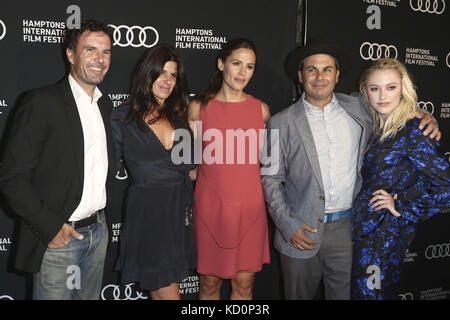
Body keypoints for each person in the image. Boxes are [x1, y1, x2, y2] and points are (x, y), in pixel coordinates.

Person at [260, 40, 441, 300]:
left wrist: (424, 115)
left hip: (348, 230)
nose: (320, 76)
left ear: (337, 75)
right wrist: (288, 226)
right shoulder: (278, 122)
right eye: (312, 70)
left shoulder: (358, 107)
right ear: (301, 76)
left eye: (327, 69)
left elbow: (391, 103)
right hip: (300, 232)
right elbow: (270, 179)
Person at [0, 20, 116, 300]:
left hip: (97, 234)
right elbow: (12, 178)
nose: (100, 59)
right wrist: (50, 228)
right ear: (70, 54)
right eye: (90, 50)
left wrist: (101, 226)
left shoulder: (104, 103)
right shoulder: (41, 102)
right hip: (58, 240)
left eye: (106, 52)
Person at [350, 58, 450, 300]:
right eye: (375, 88)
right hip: (360, 232)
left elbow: (446, 186)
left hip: (383, 239)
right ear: (366, 91)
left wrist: (401, 204)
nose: (383, 95)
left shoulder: (414, 131)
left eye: (391, 87)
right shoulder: (373, 127)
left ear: (403, 89)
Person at [111, 44, 196, 300]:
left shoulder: (181, 116)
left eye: (173, 75)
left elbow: (192, 171)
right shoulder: (122, 118)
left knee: (163, 290)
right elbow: (103, 169)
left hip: (179, 211)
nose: (167, 80)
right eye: (161, 73)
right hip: (149, 213)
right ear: (146, 74)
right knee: (167, 289)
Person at [188, 38, 271, 300]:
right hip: (210, 210)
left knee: (244, 288)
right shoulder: (198, 108)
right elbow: (189, 161)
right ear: (221, 64)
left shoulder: (262, 110)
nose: (242, 73)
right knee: (209, 288)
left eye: (249, 66)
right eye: (236, 64)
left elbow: (269, 163)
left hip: (250, 211)